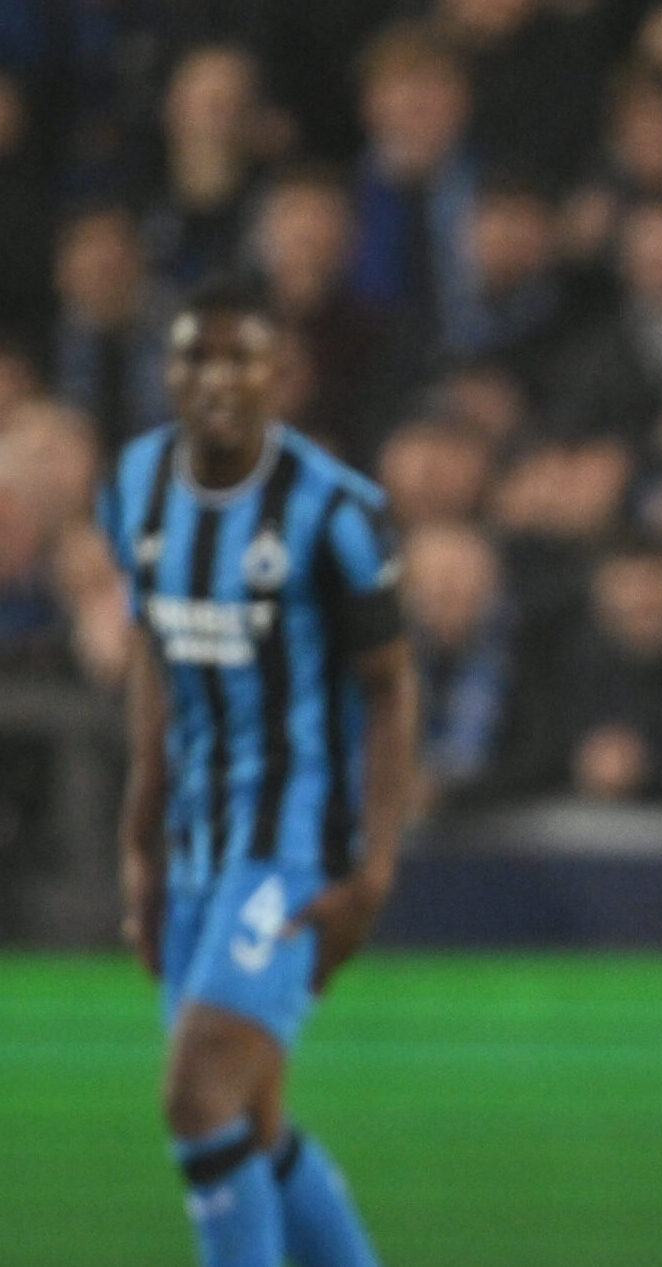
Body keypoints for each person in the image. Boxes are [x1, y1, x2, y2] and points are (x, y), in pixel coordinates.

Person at [97, 277, 414, 1267]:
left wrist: (371, 868)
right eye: (196, 355)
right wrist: (140, 843)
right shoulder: (137, 486)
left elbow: (390, 691)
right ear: (171, 370)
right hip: (196, 845)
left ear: (282, 375)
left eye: (241, 357)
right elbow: (153, 659)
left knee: (196, 1095)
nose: (217, 378)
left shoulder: (334, 513)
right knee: (250, 1121)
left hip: (291, 847)